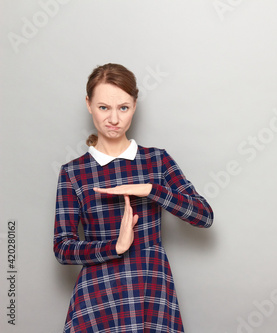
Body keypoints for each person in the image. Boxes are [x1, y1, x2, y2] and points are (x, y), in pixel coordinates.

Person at [53, 63, 213, 333]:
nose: (113, 119)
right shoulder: (73, 172)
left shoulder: (157, 161)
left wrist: (152, 190)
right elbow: (62, 247)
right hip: (98, 296)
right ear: (89, 104)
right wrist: (114, 247)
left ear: (134, 106)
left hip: (150, 291)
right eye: (104, 107)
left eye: (123, 108)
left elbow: (203, 216)